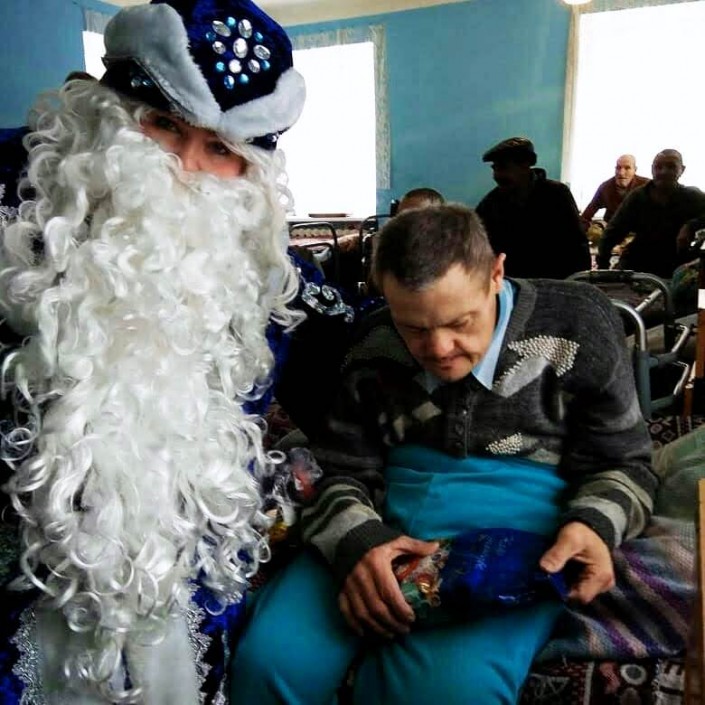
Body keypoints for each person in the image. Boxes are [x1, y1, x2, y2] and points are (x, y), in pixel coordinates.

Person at [0, 0, 355, 702]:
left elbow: (368, 368)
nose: (184, 169)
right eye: (163, 125)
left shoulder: (267, 276)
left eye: (220, 150)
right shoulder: (22, 214)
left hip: (178, 586)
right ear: (109, 115)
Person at [230, 203, 656, 704]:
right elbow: (341, 466)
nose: (438, 349)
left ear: (496, 273)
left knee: (447, 690)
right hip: (389, 510)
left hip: (518, 531)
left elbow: (624, 462)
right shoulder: (374, 339)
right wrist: (358, 543)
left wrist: (595, 525)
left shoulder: (579, 323)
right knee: (271, 661)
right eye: (413, 327)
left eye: (460, 322)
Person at [475, 136, 591, 279]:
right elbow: (476, 243)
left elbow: (577, 245)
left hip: (554, 283)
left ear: (525, 165)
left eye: (504, 168)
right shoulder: (491, 203)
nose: (497, 175)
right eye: (495, 169)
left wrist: (579, 283)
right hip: (513, 286)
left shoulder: (556, 195)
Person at [596, 149, 705, 278]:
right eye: (658, 167)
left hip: (677, 267)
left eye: (671, 167)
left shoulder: (692, 196)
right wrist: (603, 269)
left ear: (682, 170)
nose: (663, 172)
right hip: (639, 265)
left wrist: (691, 226)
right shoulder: (638, 197)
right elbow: (612, 233)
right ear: (652, 169)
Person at [580, 154, 649, 226]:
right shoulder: (605, 188)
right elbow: (586, 216)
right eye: (618, 168)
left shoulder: (646, 186)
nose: (621, 173)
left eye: (627, 168)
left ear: (635, 170)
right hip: (612, 228)